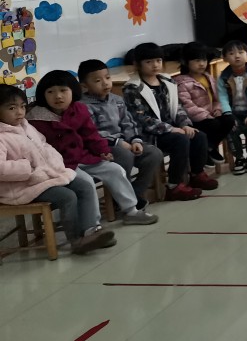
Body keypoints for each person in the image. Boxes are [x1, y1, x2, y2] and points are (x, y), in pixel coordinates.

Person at [27, 70, 157, 225]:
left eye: (63, 90)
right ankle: (93, 226)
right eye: (50, 92)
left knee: (116, 170)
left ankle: (131, 211)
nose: (58, 96)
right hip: (59, 165)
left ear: (73, 91)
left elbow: (91, 134)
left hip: (83, 157)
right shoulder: (36, 118)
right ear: (43, 95)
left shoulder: (79, 109)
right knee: (87, 182)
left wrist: (103, 150)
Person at [0, 85, 116, 254]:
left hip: (42, 178)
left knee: (83, 186)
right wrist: (28, 167)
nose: (19, 112)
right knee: (67, 197)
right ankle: (76, 241)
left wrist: (53, 162)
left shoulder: (25, 126)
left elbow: (44, 145)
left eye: (22, 106)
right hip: (18, 188)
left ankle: (90, 231)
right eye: (12, 108)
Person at [123, 42, 214, 200]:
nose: (155, 65)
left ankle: (196, 174)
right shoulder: (133, 88)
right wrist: (171, 129)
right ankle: (174, 185)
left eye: (158, 60)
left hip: (171, 129)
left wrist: (185, 124)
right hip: (150, 134)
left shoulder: (167, 81)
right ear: (137, 64)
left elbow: (177, 107)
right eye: (149, 62)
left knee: (199, 136)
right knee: (180, 140)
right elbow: (142, 119)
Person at [79, 58, 166, 211]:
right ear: (84, 85)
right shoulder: (83, 106)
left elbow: (128, 123)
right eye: (98, 81)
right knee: (125, 155)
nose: (105, 83)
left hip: (126, 143)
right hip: (102, 146)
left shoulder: (117, 100)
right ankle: (122, 196)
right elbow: (92, 132)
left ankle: (133, 194)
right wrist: (118, 142)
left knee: (154, 154)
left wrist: (135, 140)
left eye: (107, 78)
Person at [175, 42, 234, 165]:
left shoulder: (208, 77)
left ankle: (210, 147)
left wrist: (217, 109)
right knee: (214, 124)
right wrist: (206, 115)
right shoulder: (181, 82)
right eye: (197, 60)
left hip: (210, 115)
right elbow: (187, 106)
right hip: (195, 119)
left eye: (204, 60)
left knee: (229, 120)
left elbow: (217, 98)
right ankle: (207, 149)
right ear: (186, 62)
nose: (202, 64)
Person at [217, 40, 247, 175]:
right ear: (225, 58)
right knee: (231, 128)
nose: (237, 56)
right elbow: (222, 98)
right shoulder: (223, 77)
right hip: (233, 112)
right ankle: (239, 158)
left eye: (241, 52)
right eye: (231, 53)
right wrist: (228, 116)